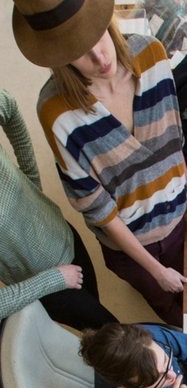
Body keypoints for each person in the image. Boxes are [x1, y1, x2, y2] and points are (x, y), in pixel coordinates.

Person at [2, 0, 187, 327]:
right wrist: (154, 269)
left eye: (100, 34)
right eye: (80, 50)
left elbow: (175, 139)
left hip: (184, 212)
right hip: (137, 245)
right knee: (179, 317)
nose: (101, 58)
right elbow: (99, 211)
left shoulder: (153, 54)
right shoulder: (56, 113)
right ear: (56, 54)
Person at [0, 88, 116, 328]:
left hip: (63, 235)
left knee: (101, 322)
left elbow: (8, 106)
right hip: (45, 283)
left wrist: (31, 180)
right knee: (113, 336)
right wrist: (53, 280)